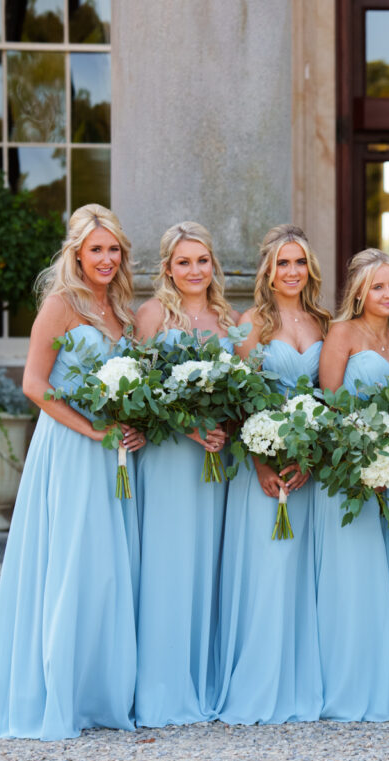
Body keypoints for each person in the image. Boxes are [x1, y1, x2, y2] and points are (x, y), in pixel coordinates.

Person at [0, 204, 146, 740]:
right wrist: (92, 430)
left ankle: (99, 693)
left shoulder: (121, 310)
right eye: (96, 249)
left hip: (116, 452)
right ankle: (58, 696)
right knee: (71, 565)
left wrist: (131, 421)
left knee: (108, 569)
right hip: (71, 449)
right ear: (75, 253)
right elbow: (34, 383)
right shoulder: (61, 304)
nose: (107, 258)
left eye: (114, 249)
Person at [215, 225, 329, 725]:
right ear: (268, 270)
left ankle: (299, 680)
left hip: (306, 465)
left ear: (309, 269)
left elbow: (330, 394)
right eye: (282, 263)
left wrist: (310, 454)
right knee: (268, 568)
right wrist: (260, 461)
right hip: (261, 463)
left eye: (299, 262)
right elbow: (237, 398)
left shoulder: (324, 322)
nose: (291, 272)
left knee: (301, 571)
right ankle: (261, 683)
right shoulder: (252, 323)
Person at [130, 222, 238, 728]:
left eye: (202, 260)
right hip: (171, 455)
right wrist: (188, 426)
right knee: (167, 565)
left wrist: (225, 427)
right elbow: (138, 391)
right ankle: (161, 691)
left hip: (213, 462)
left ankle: (201, 682)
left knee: (205, 566)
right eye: (183, 262)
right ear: (168, 268)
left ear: (212, 265)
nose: (195, 270)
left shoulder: (228, 318)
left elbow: (242, 388)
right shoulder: (151, 316)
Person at [313, 248, 389, 722]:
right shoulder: (342, 333)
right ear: (358, 291)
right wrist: (363, 457)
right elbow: (329, 404)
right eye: (378, 286)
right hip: (350, 473)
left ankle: (384, 681)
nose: (388, 294)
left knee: (387, 575)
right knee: (354, 576)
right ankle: (349, 683)